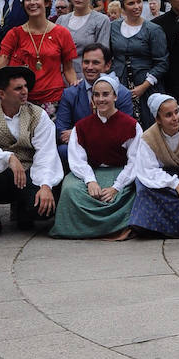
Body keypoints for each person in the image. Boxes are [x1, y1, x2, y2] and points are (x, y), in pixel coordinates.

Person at [0, 66, 63, 239]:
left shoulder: (38, 115)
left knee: (42, 213)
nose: (25, 91)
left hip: (29, 174)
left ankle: (23, 209)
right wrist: (8, 157)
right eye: (18, 88)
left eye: (25, 86)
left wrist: (45, 186)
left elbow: (46, 154)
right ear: (2, 94)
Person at [51, 74, 141, 239]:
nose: (101, 99)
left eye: (106, 94)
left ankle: (119, 228)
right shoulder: (81, 127)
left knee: (131, 191)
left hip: (121, 172)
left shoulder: (131, 126)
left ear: (115, 96)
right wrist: (90, 180)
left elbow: (135, 161)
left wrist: (117, 187)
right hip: (90, 171)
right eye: (97, 95)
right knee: (70, 190)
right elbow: (77, 160)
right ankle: (79, 229)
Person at [123, 93, 179, 238]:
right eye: (168, 115)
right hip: (162, 178)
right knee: (144, 191)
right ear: (158, 119)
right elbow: (148, 170)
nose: (175, 118)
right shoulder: (149, 138)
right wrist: (174, 183)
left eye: (176, 112)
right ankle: (151, 229)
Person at [0, 0, 78, 118]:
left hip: (53, 101)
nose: (32, 2)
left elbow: (68, 69)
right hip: (20, 101)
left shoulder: (62, 33)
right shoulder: (15, 34)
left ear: (46, 2)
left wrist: (75, 85)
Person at [55, 43, 134, 163]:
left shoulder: (122, 94)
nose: (89, 67)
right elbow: (61, 131)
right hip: (79, 149)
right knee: (62, 150)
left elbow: (126, 130)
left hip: (111, 150)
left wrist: (80, 133)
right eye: (86, 62)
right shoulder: (70, 94)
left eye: (95, 63)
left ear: (107, 65)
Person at [110, 0, 168, 114]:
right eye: (131, 3)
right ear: (123, 7)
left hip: (146, 85)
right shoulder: (114, 27)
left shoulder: (153, 30)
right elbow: (109, 55)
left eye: (139, 2)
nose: (137, 6)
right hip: (119, 84)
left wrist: (144, 86)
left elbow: (162, 63)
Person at [55, 0, 110, 78]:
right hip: (61, 77)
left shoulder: (101, 20)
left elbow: (102, 55)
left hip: (87, 78)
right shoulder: (61, 20)